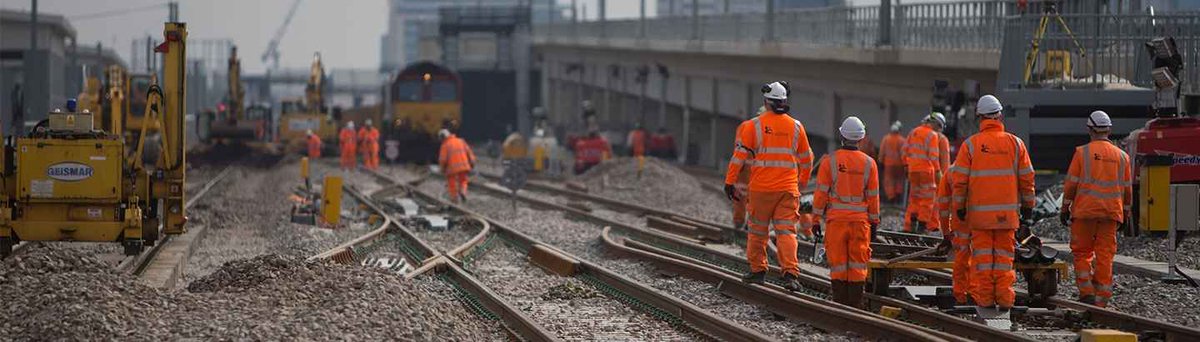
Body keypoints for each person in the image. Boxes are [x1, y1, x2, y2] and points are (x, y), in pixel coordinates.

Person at [723, 81, 813, 291]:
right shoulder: (797, 126)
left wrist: (730, 182)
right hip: (788, 190)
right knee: (787, 232)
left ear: (767, 102)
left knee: (757, 231)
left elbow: (739, 157)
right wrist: (800, 183)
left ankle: (758, 271)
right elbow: (806, 160)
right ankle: (790, 273)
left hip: (761, 189)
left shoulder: (753, 126)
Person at [950, 95, 1035, 311]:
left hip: (980, 218)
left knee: (983, 261)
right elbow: (1027, 178)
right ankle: (1005, 300)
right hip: (1007, 217)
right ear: (1000, 115)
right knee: (1005, 259)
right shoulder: (1016, 144)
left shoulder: (971, 146)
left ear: (980, 117)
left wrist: (959, 208)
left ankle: (986, 300)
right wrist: (1028, 206)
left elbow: (959, 181)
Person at [1060, 111, 1132, 308]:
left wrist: (1065, 208)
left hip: (1085, 212)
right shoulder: (1123, 157)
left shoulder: (1082, 153)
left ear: (1090, 130)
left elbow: (1071, 184)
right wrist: (1125, 214)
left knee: (1082, 253)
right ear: (1108, 130)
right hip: (1111, 214)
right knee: (1105, 254)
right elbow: (1127, 190)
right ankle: (1102, 297)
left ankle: (1087, 292)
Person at [813, 116, 880, 308]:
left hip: (836, 222)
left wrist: (816, 220)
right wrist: (874, 222)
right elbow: (873, 197)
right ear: (861, 138)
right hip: (860, 223)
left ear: (842, 135)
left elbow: (820, 195)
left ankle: (840, 305)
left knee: (839, 264)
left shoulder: (829, 162)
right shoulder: (870, 164)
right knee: (858, 265)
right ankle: (856, 305)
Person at [903, 113, 947, 233]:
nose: (939, 130)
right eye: (939, 127)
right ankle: (922, 227)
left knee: (914, 198)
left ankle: (912, 224)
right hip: (926, 171)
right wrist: (938, 172)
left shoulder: (913, 132)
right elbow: (933, 156)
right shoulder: (932, 135)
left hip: (913, 170)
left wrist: (906, 166)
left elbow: (904, 151)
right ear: (936, 124)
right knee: (927, 199)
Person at [936, 160, 971, 305]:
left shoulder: (951, 172)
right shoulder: (985, 168)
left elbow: (943, 206)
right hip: (987, 223)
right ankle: (986, 295)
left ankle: (962, 296)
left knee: (962, 260)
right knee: (987, 259)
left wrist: (945, 234)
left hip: (961, 224)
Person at [729, 106, 767, 230]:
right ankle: (740, 222)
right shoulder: (749, 127)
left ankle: (744, 222)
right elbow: (740, 149)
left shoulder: (750, 126)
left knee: (750, 196)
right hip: (747, 169)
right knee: (743, 195)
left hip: (753, 169)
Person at [438, 129, 476, 203]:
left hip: (452, 169)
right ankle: (463, 192)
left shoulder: (445, 145)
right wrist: (472, 162)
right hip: (464, 166)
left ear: (442, 138)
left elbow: (443, 160)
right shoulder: (461, 141)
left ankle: (454, 197)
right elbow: (469, 153)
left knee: (451, 182)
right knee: (463, 180)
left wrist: (442, 169)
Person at [878, 121, 907, 204]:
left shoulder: (886, 139)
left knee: (889, 181)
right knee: (899, 180)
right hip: (900, 165)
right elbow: (904, 154)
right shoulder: (902, 140)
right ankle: (898, 196)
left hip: (888, 165)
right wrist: (906, 165)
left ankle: (891, 198)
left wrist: (880, 162)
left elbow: (882, 152)